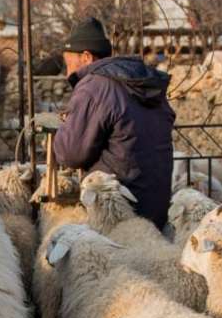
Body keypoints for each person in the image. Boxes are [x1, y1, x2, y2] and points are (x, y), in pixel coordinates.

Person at [50, 17, 175, 230]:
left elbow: (71, 154)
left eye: (69, 61)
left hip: (116, 209)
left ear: (86, 56)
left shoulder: (95, 86)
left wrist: (65, 127)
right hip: (156, 207)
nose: (67, 71)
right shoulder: (141, 81)